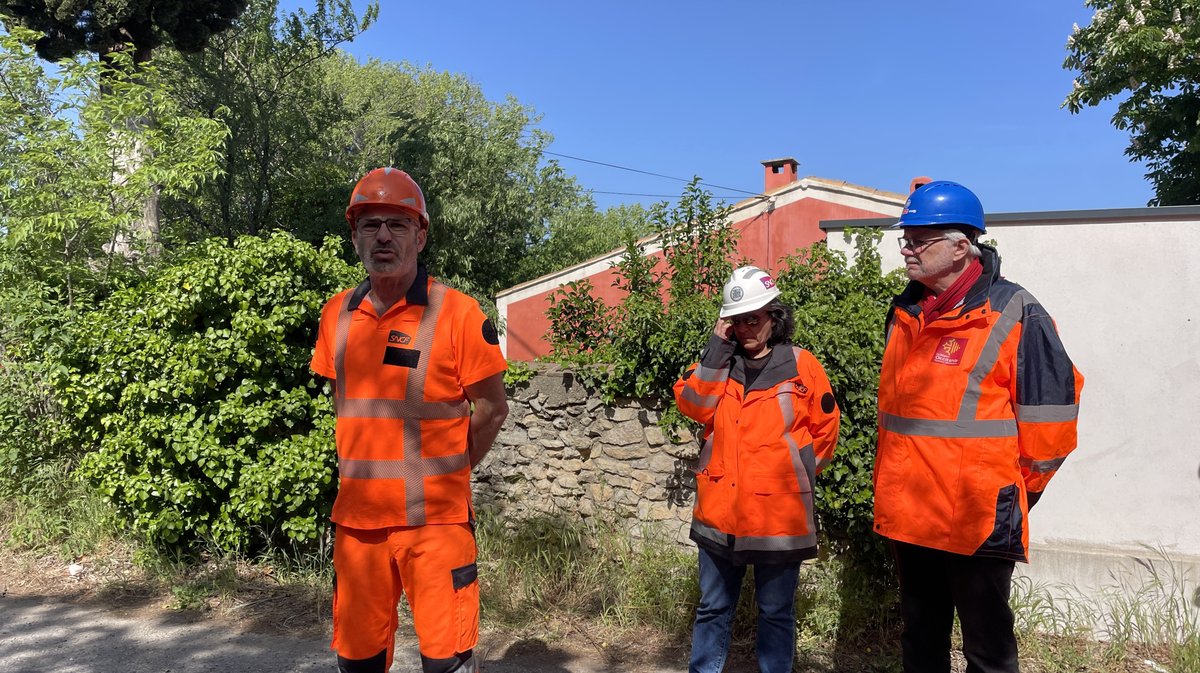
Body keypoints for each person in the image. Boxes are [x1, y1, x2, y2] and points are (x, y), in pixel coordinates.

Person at [874, 180, 1084, 673]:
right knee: (920, 642)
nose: (907, 247)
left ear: (961, 246)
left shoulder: (1015, 312)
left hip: (978, 518)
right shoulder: (905, 311)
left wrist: (1014, 494)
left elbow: (1050, 421)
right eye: (906, 236)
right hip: (912, 512)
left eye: (920, 238)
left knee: (987, 652)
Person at [310, 167, 509, 673]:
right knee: (357, 663)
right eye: (370, 224)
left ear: (420, 234)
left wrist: (450, 473)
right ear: (354, 235)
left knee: (448, 664)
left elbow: (492, 409)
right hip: (357, 526)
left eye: (397, 224)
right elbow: (347, 405)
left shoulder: (459, 315)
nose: (382, 236)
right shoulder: (336, 315)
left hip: (436, 525)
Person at [673, 266, 841, 673]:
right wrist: (716, 345)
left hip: (779, 518)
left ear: (774, 317)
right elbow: (693, 406)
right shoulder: (716, 366)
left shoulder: (803, 366)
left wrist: (791, 476)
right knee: (712, 608)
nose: (746, 328)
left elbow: (826, 432)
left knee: (777, 613)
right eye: (736, 320)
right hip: (720, 514)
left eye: (754, 318)